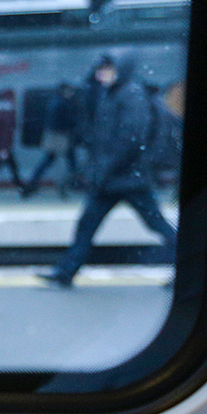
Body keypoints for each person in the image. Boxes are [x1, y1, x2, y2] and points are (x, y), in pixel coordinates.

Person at [39, 55, 178, 289]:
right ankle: (65, 272)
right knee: (87, 225)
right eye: (99, 70)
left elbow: (130, 139)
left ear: (119, 70)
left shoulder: (130, 94)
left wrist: (104, 167)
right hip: (112, 179)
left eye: (106, 70)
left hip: (129, 179)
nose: (100, 75)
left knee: (156, 224)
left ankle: (190, 266)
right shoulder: (113, 94)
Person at [23, 82, 79, 198]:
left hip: (53, 135)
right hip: (61, 137)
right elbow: (68, 121)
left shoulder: (54, 102)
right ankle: (70, 185)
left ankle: (32, 184)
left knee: (48, 161)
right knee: (69, 162)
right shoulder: (64, 103)